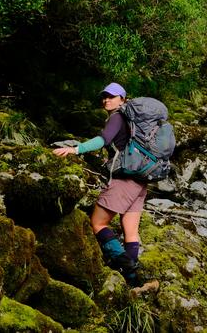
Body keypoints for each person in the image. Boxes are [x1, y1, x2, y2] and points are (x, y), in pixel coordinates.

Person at [53, 82, 147, 286]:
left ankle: (127, 267)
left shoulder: (117, 116)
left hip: (125, 179)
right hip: (142, 179)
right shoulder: (136, 120)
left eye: (112, 96)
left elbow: (102, 140)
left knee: (97, 222)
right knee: (131, 231)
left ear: (122, 99)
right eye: (104, 96)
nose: (106, 100)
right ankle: (134, 282)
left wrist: (75, 149)